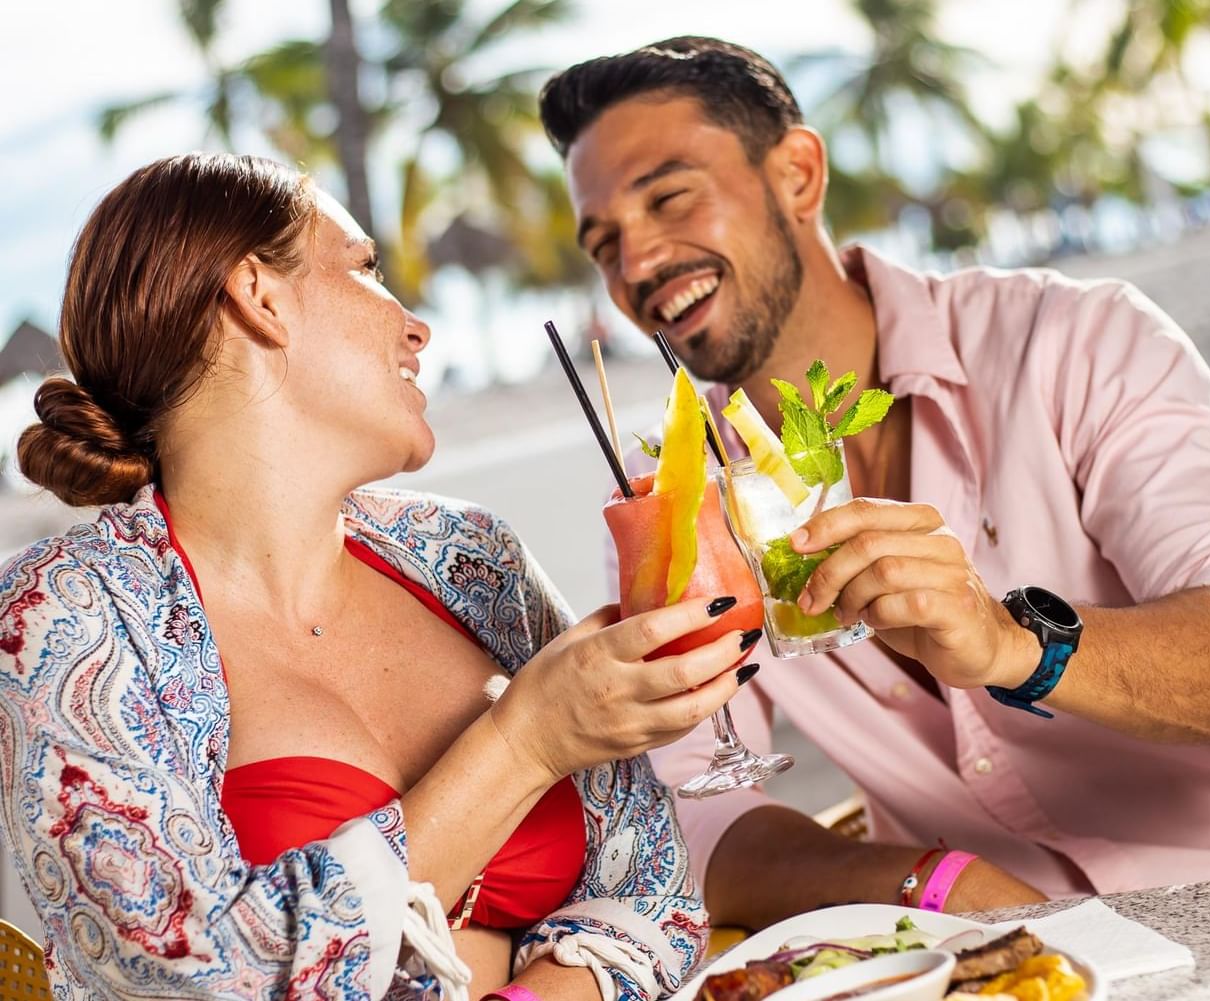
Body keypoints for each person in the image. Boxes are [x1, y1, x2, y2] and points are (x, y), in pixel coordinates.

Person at [537, 37, 1210, 931]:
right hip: (989, 961)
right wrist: (932, 878)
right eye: (604, 243)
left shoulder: (1074, 341)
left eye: (669, 197)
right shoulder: (676, 500)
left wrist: (1014, 646)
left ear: (798, 174)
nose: (636, 265)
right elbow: (682, 817)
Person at [0, 153, 758, 1000]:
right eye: (366, 269)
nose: (416, 325)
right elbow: (199, 973)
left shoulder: (470, 556)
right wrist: (524, 743)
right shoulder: (64, 618)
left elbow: (656, 892)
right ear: (260, 296)